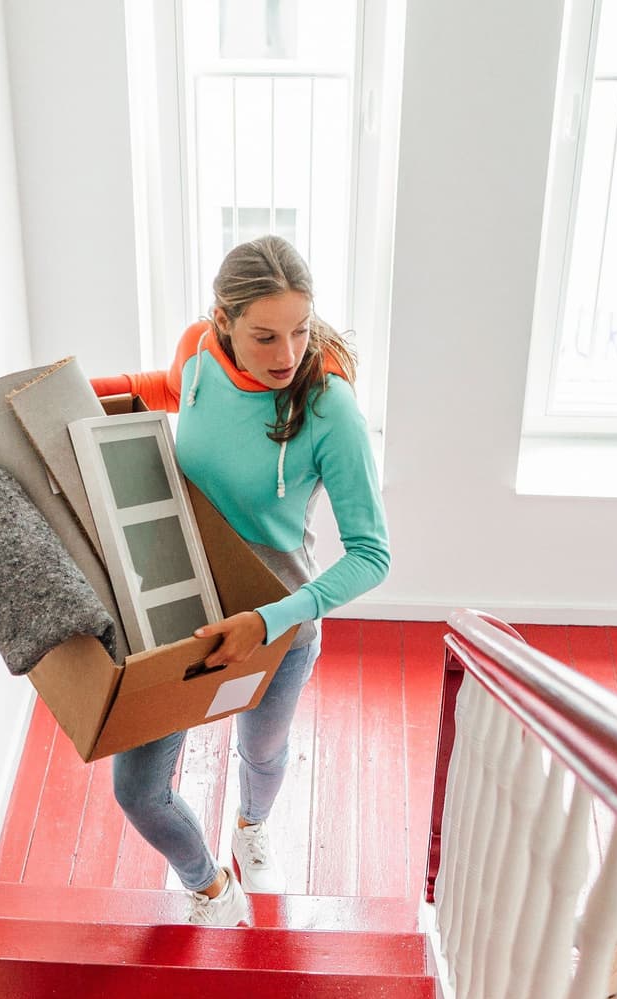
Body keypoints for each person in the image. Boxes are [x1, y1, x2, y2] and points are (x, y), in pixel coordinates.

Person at [89, 235, 390, 926]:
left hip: (274, 624)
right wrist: (60, 391)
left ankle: (252, 828)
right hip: (179, 604)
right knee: (138, 790)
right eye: (264, 336)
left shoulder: (328, 409)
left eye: (300, 332)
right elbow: (170, 390)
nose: (287, 355)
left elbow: (372, 554)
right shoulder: (199, 347)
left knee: (262, 748)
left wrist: (272, 621)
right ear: (222, 321)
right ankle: (207, 887)